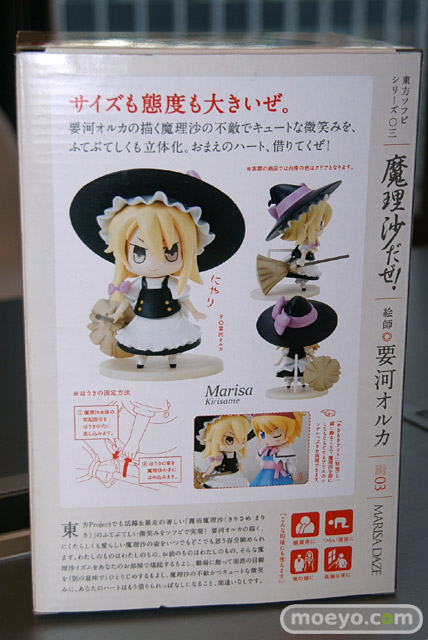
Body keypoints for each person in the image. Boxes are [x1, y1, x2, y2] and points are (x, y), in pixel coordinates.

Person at [250, 413, 303, 486]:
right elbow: (262, 463)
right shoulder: (264, 450)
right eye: (262, 434)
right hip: (264, 474)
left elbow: (289, 465)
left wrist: (292, 473)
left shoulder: (284, 450)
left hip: (278, 475)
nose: (268, 439)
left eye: (276, 435)